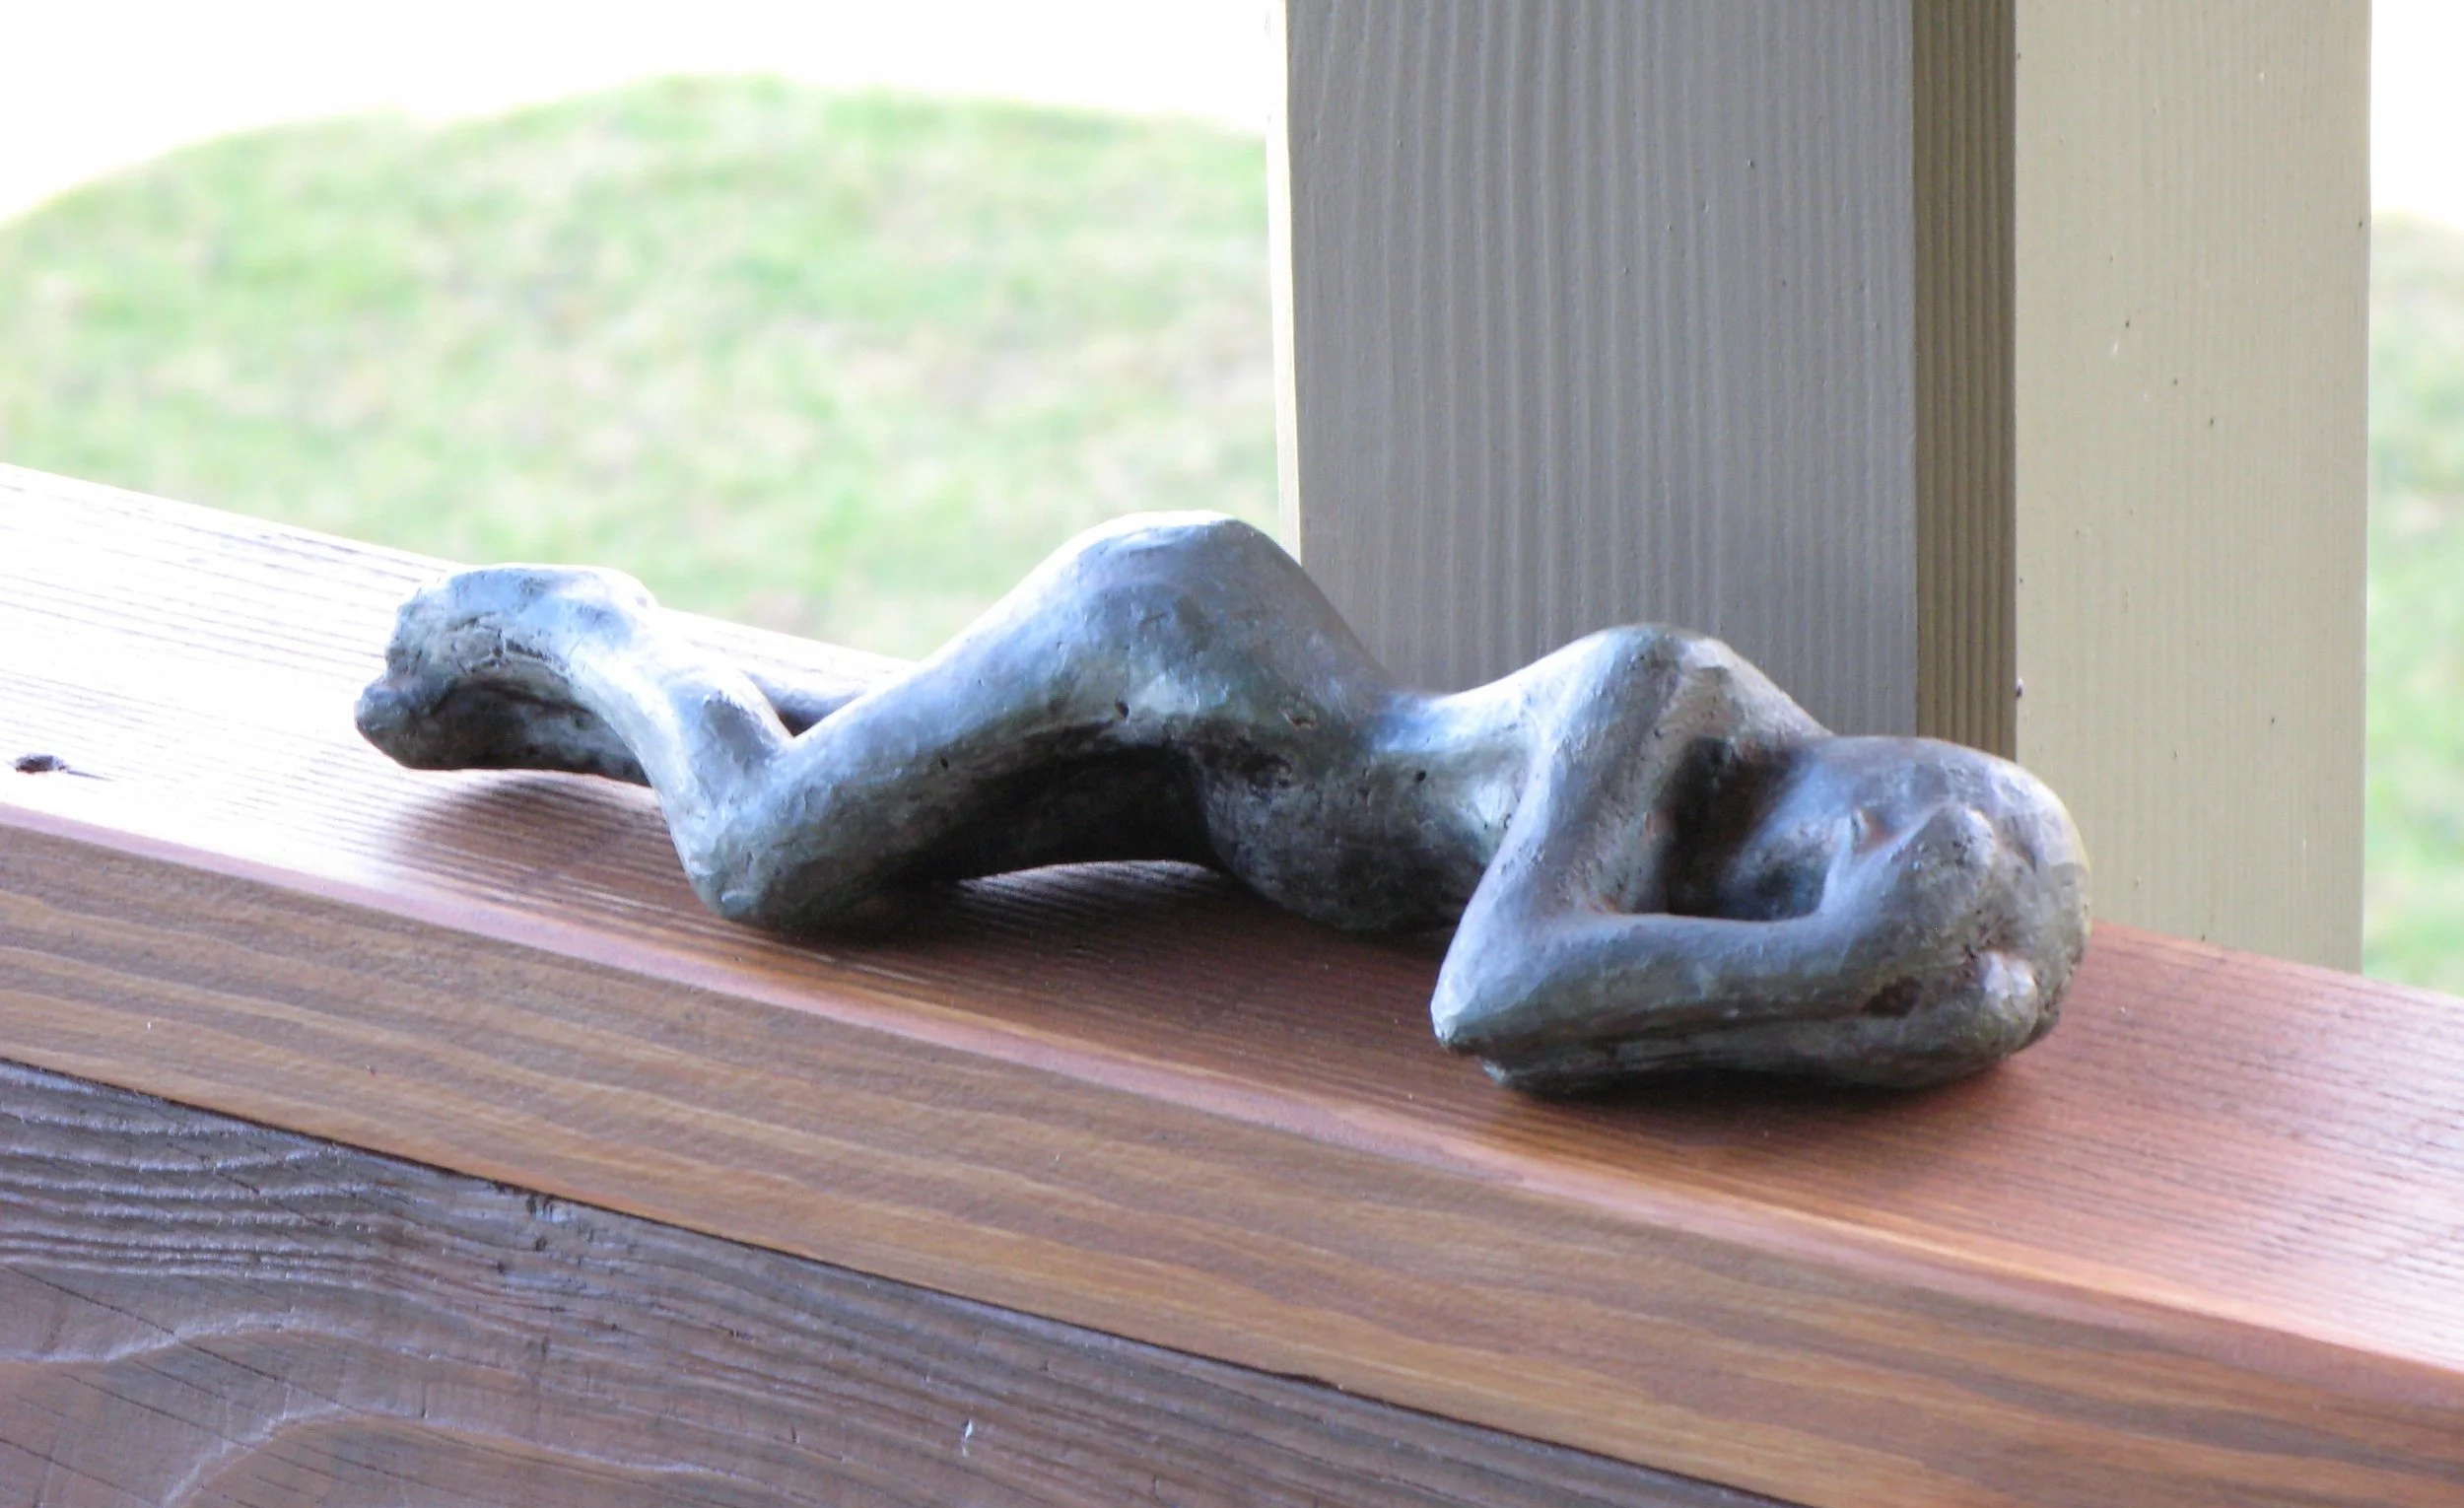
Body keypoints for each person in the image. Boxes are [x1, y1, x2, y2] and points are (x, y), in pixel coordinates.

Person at [358, 513, 2088, 1090]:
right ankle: (585, 627)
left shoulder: (1701, 866)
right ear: (1867, 822)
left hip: (1219, 811)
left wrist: (1904, 1004)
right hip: (1179, 652)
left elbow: (1584, 1046)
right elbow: (1501, 1005)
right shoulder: (1665, 699)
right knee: (764, 855)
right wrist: (1828, 970)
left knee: (868, 831)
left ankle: (513, 711)